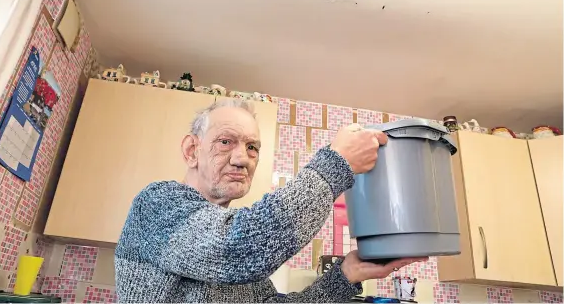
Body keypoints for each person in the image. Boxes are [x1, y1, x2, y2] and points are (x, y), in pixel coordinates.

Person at [115, 99, 425, 302]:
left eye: (252, 147)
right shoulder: (157, 205)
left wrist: (346, 275)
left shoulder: (236, 259)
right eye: (226, 142)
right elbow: (238, 247)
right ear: (191, 151)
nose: (242, 158)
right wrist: (336, 163)